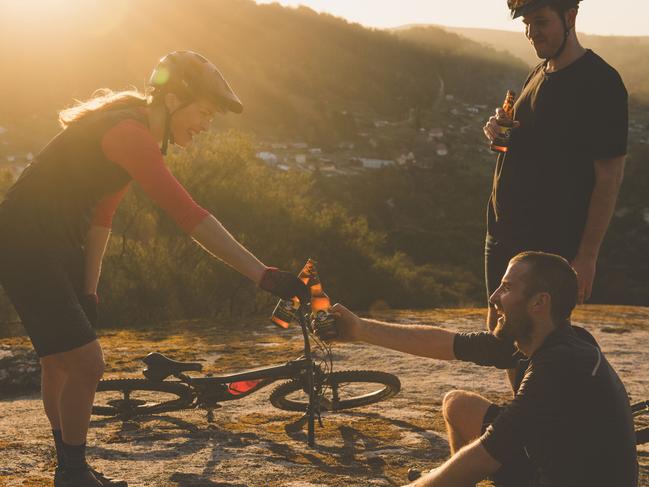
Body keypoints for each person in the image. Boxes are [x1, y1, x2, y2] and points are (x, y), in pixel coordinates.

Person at [0, 51, 309, 487]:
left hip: (55, 239)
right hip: (25, 240)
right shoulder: (130, 133)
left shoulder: (134, 130)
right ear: (171, 100)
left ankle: (70, 466)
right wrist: (263, 274)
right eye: (203, 112)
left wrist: (90, 293)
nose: (205, 125)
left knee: (60, 362)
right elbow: (190, 216)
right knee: (87, 364)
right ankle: (71, 472)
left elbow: (101, 219)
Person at [326, 252, 638, 486]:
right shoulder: (551, 337)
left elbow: (486, 455)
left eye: (506, 288)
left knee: (475, 457)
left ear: (539, 302)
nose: (493, 298)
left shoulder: (557, 367)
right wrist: (359, 329)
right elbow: (444, 344)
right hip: (554, 463)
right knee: (458, 405)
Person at [482, 0, 628, 331]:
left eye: (541, 22)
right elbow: (523, 139)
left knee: (536, 336)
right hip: (503, 228)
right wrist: (495, 127)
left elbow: (609, 177)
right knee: (500, 330)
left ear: (570, 17)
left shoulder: (600, 82)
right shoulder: (538, 72)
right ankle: (522, 387)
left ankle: (539, 386)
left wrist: (587, 257)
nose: (532, 33)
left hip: (549, 240)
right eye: (527, 25)